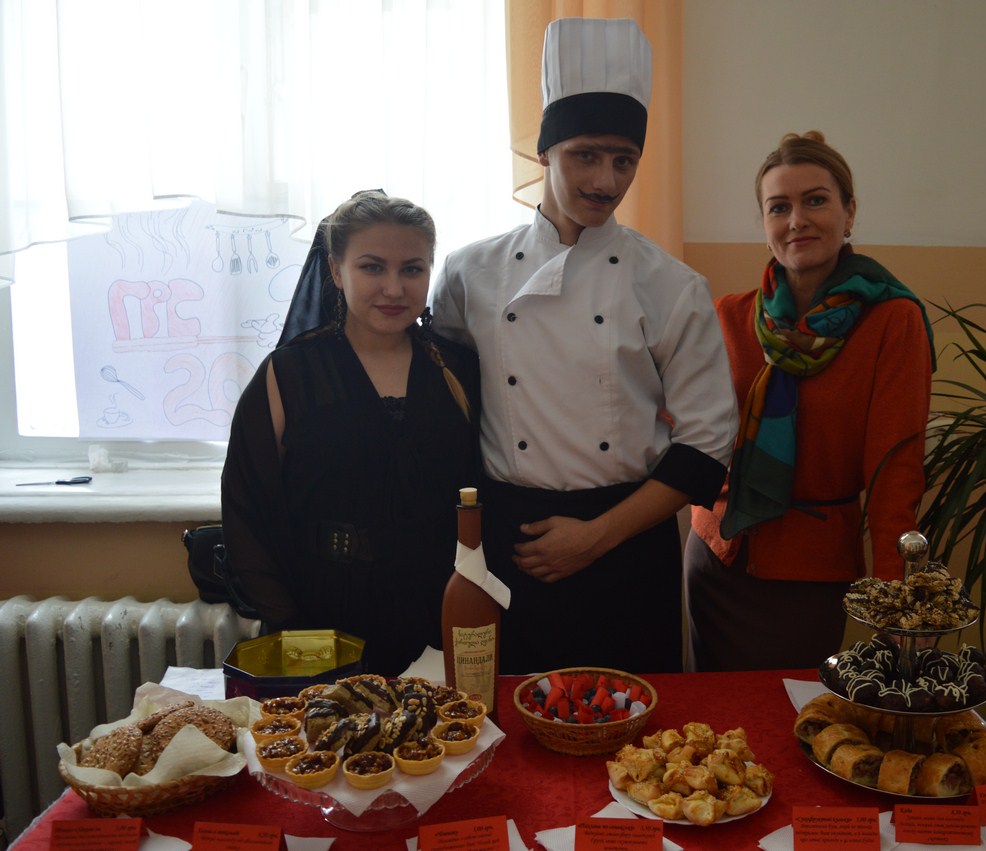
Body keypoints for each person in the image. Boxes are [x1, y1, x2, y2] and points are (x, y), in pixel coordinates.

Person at [428, 18, 737, 675]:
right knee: (505, 717)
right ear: (545, 152)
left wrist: (595, 537)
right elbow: (446, 405)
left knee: (639, 724)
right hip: (511, 542)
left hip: (628, 544)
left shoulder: (671, 285)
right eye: (585, 156)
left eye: (624, 160)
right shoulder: (468, 272)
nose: (606, 180)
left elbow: (706, 447)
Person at [684, 131, 936, 672]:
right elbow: (680, 432)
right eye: (779, 207)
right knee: (711, 717)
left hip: (809, 575)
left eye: (815, 200)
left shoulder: (893, 322)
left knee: (791, 713)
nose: (797, 220)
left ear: (849, 214)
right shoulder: (728, 316)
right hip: (715, 557)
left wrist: (895, 598)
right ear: (765, 225)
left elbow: (895, 473)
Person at [221, 190, 481, 676]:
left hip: (436, 617)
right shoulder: (288, 374)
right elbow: (245, 511)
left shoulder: (459, 371)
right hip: (320, 618)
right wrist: (288, 625)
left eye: (412, 269)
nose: (393, 288)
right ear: (336, 271)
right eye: (372, 267)